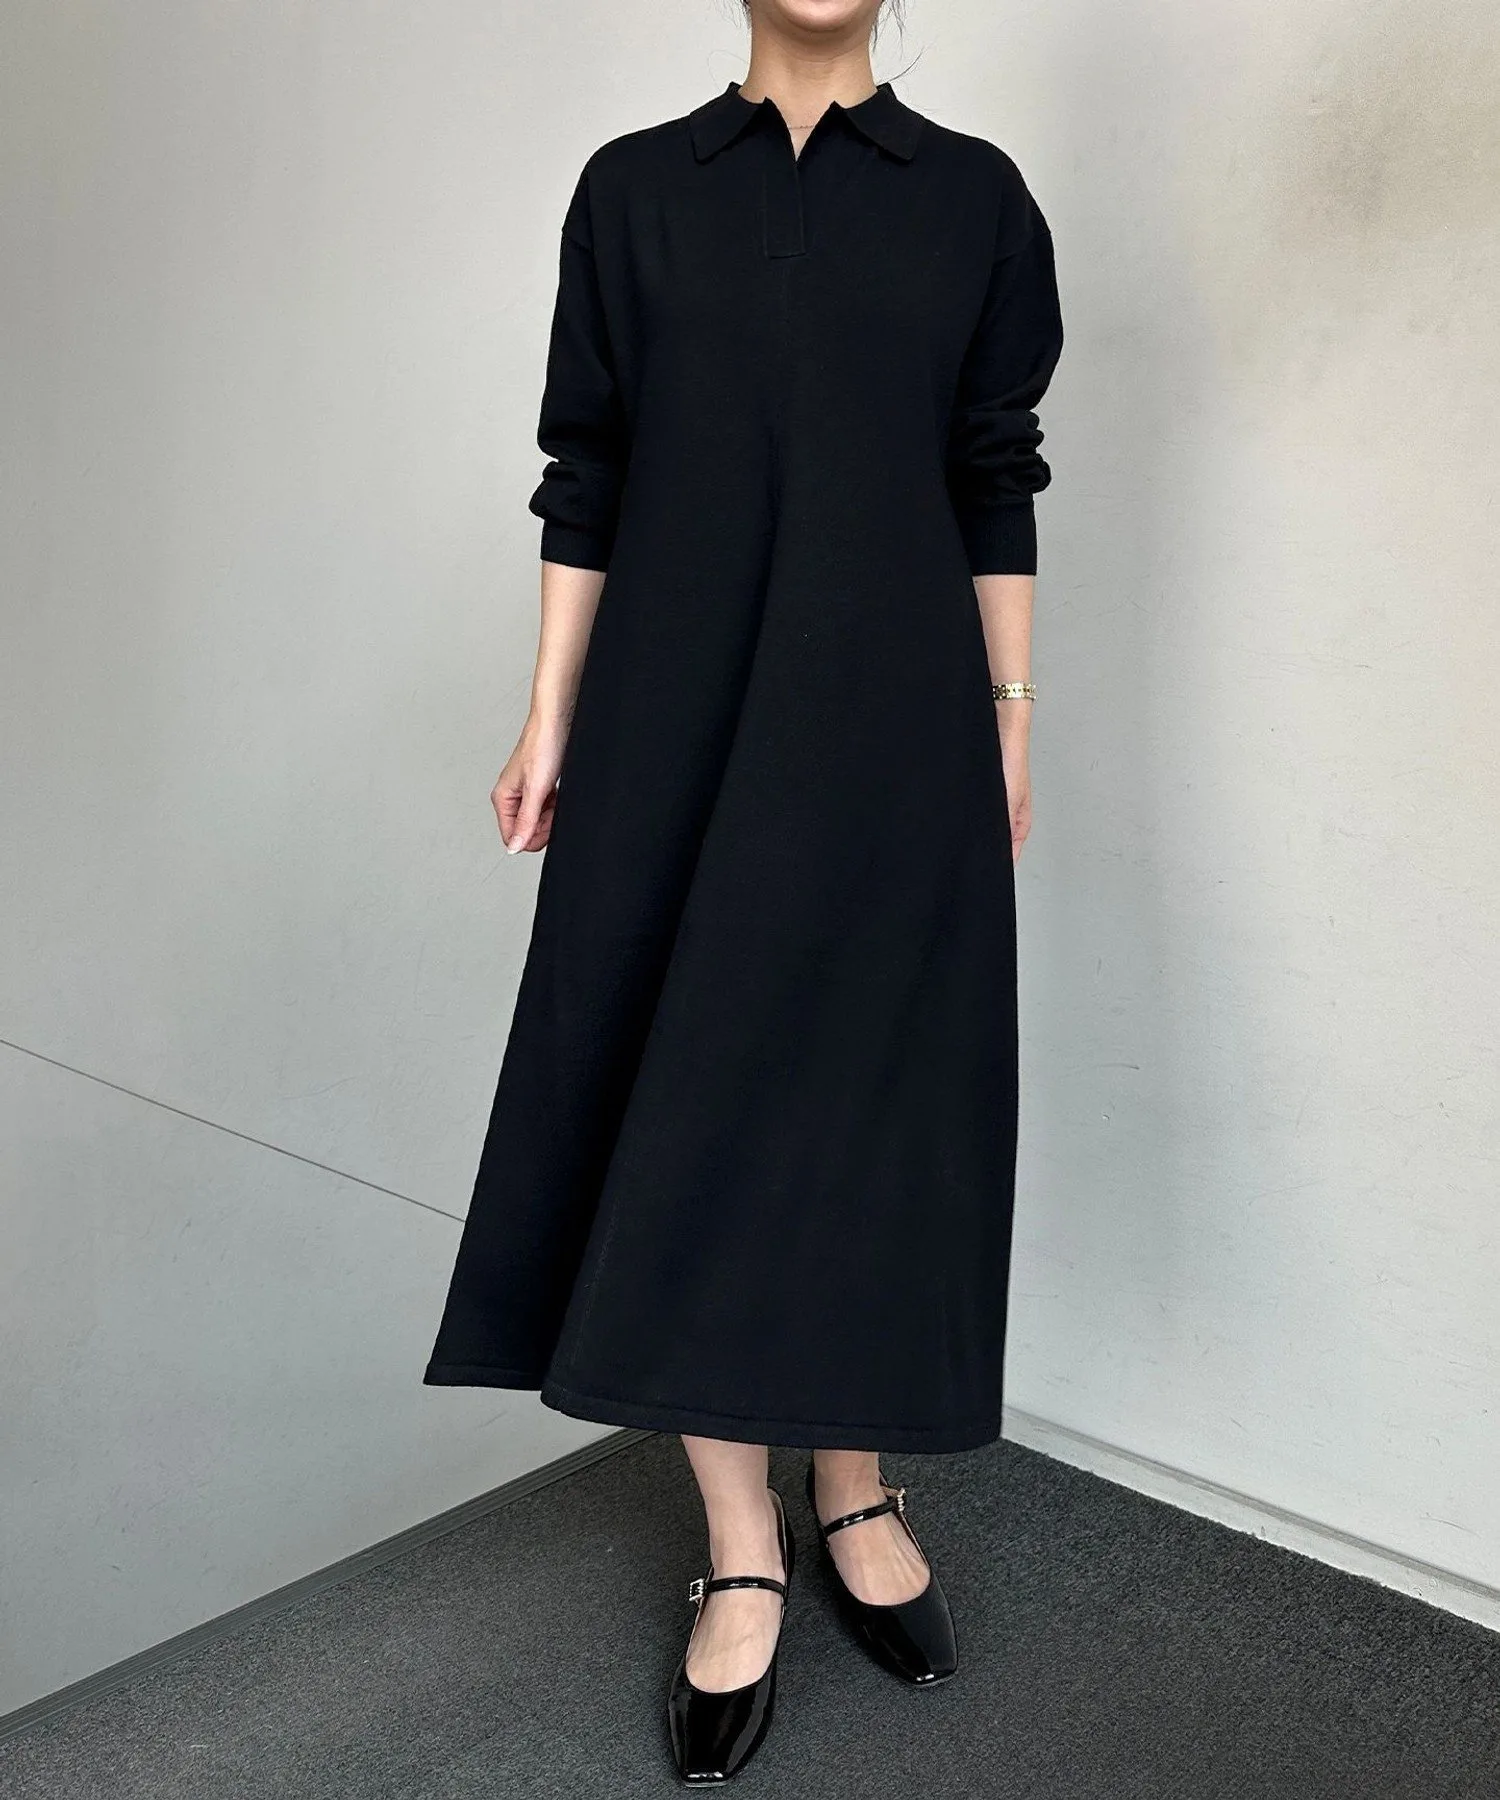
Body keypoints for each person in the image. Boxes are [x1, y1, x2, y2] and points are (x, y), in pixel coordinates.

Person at [424, 0, 1064, 1780]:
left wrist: (1010, 717)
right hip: (673, 718)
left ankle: (854, 1484)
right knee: (684, 1094)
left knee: (868, 1100)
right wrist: (550, 712)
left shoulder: (976, 199)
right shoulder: (635, 191)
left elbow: (993, 470)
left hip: (895, 726)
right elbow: (589, 469)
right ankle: (740, 1535)